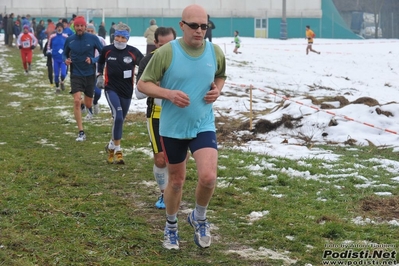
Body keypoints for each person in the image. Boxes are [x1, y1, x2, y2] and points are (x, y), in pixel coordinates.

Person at [137, 4, 227, 250]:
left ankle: (198, 217)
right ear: (182, 26)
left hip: (203, 123)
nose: (199, 31)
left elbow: (221, 75)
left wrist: (217, 90)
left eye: (204, 26)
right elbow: (144, 84)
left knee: (208, 177)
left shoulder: (215, 51)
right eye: (194, 26)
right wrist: (167, 94)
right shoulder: (166, 53)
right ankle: (171, 226)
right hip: (172, 127)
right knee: (176, 182)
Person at [136, 27, 177, 209]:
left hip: (179, 115)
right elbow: (138, 93)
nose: (167, 49)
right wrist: (156, 86)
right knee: (160, 159)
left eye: (171, 44)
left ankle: (174, 190)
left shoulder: (183, 59)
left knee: (175, 160)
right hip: (157, 115)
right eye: (163, 45)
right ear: (156, 44)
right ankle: (163, 194)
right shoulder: (148, 60)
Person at [97, 23, 143, 164]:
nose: (120, 39)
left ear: (127, 38)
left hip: (127, 91)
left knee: (120, 119)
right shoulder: (107, 50)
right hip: (111, 89)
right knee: (117, 115)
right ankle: (118, 149)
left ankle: (111, 144)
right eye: (117, 36)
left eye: (123, 37)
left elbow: (146, 65)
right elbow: (100, 62)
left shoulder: (133, 52)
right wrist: (99, 75)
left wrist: (142, 80)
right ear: (113, 36)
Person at [62, 16, 104, 142]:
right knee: (76, 101)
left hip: (89, 74)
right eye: (77, 26)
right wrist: (66, 60)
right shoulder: (70, 40)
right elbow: (64, 53)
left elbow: (103, 54)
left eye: (81, 26)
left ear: (85, 27)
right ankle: (81, 132)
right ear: (74, 27)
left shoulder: (93, 38)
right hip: (76, 74)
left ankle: (84, 104)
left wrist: (93, 60)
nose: (79, 28)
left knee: (88, 103)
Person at [85, 23, 107, 116]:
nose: (90, 33)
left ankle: (95, 102)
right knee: (88, 92)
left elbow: (106, 52)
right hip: (87, 70)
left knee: (98, 92)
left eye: (92, 31)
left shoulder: (101, 40)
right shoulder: (83, 40)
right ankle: (89, 112)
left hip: (98, 70)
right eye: (88, 31)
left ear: (95, 31)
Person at [47, 22, 68, 93]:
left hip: (63, 59)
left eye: (61, 27)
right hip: (55, 58)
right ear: (56, 28)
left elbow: (68, 46)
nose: (59, 28)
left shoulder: (66, 37)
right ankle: (57, 88)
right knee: (56, 74)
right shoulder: (52, 37)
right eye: (58, 27)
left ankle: (62, 82)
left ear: (62, 28)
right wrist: (49, 51)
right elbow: (49, 46)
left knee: (63, 74)